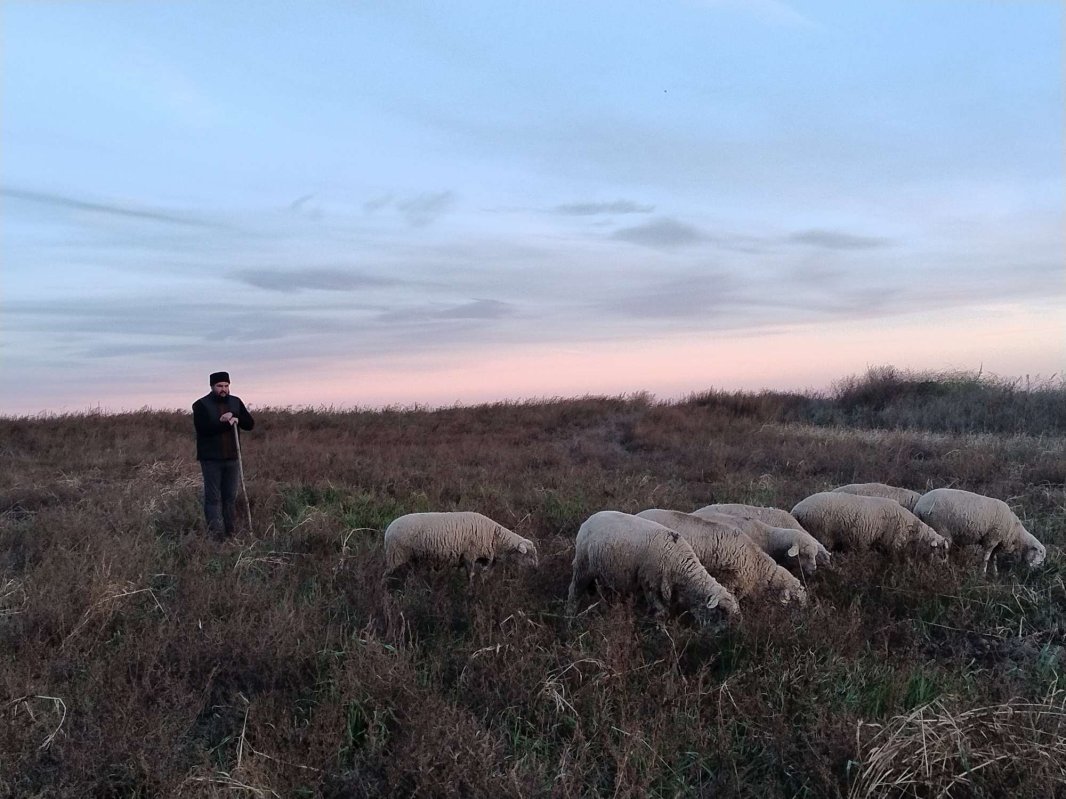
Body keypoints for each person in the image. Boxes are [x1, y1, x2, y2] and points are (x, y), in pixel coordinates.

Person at [193, 371, 255, 539]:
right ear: (212, 386)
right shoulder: (200, 405)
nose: (223, 389)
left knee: (230, 497)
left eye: (226, 386)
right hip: (211, 459)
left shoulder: (235, 402)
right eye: (219, 386)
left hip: (233, 458)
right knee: (213, 498)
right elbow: (204, 430)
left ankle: (231, 533)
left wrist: (236, 417)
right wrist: (226, 423)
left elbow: (249, 424)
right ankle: (216, 535)